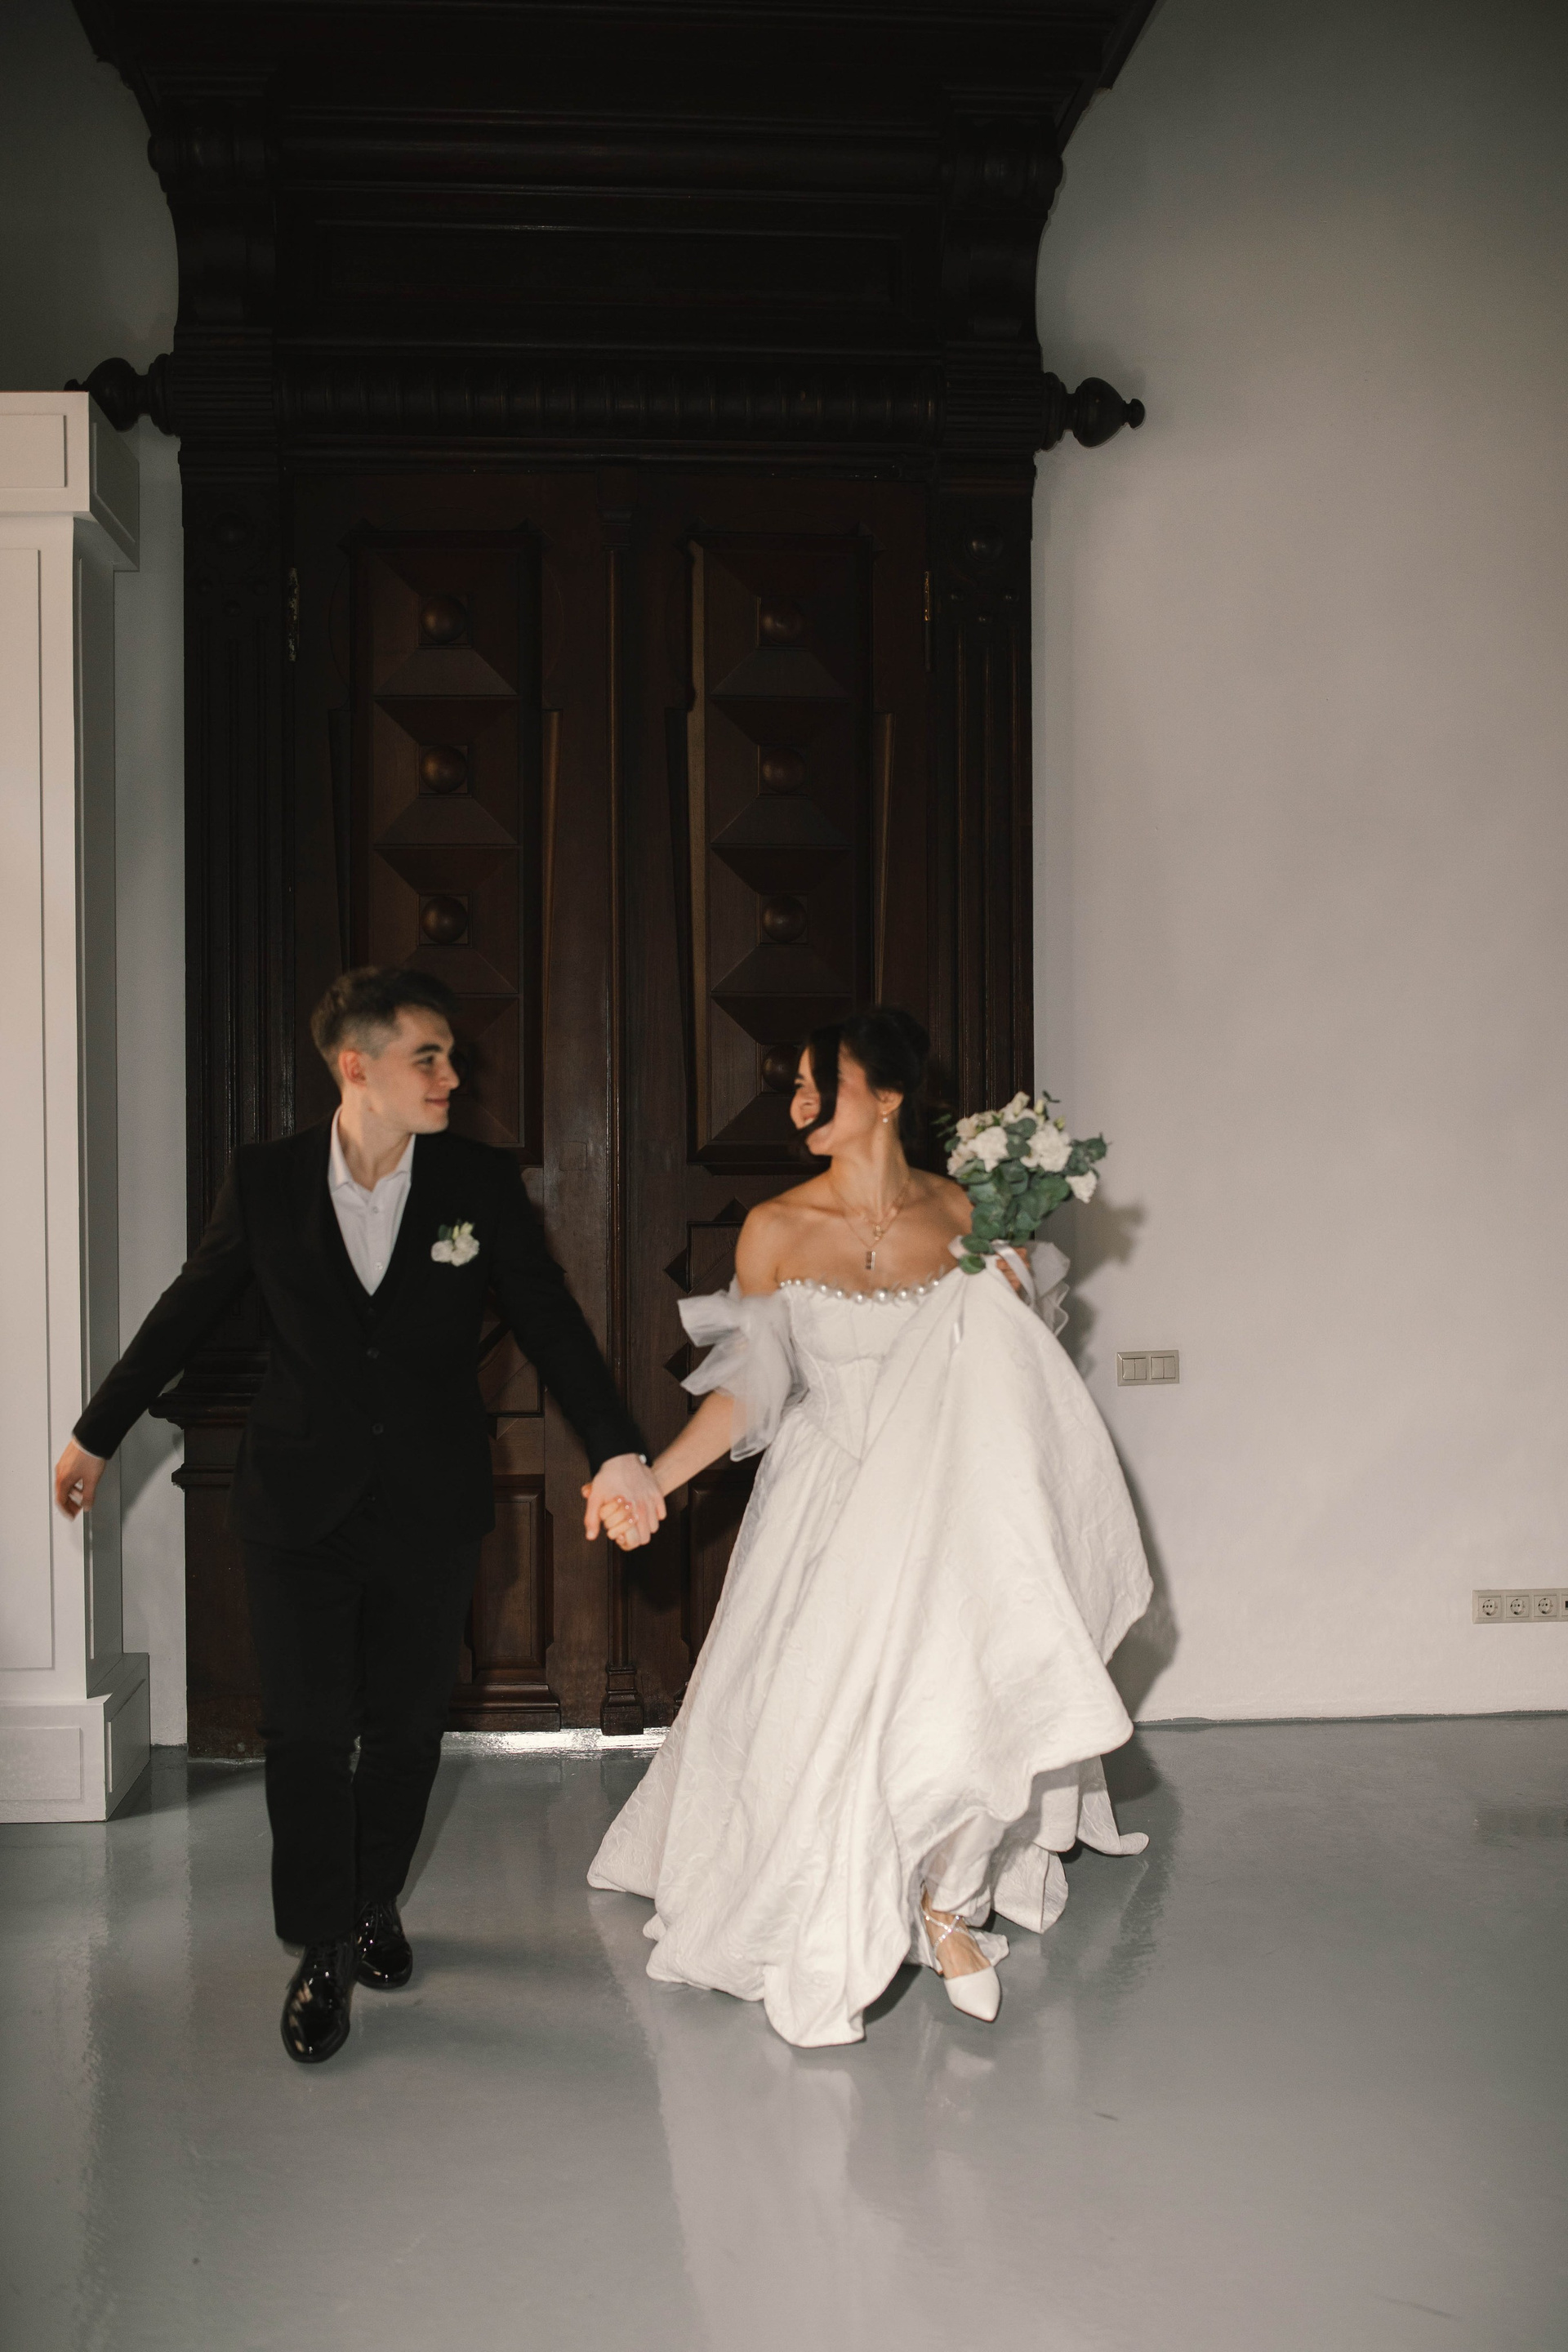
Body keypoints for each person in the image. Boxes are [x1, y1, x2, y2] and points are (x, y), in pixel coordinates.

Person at [55, 967, 663, 2065]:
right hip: (296, 1501)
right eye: (427, 1056)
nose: (451, 1075)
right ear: (356, 1066)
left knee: (405, 1728)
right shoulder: (268, 1180)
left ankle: (374, 1895)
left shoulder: (477, 1181)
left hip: (431, 1503)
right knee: (302, 1731)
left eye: (450, 1055)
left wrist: (618, 1447)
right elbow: (189, 1308)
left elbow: (552, 1324)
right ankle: (323, 1946)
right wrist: (98, 1432)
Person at [589, 1006, 1152, 2047]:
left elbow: (1015, 1384)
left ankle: (945, 1901)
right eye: (797, 1089)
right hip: (829, 1501)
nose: (799, 1105)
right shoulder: (774, 1229)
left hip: (949, 1501)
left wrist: (1012, 1293)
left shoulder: (969, 1213)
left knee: (965, 1684)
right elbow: (749, 1392)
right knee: (833, 1710)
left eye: (820, 1085)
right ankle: (841, 1896)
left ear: (886, 1098)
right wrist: (654, 1483)